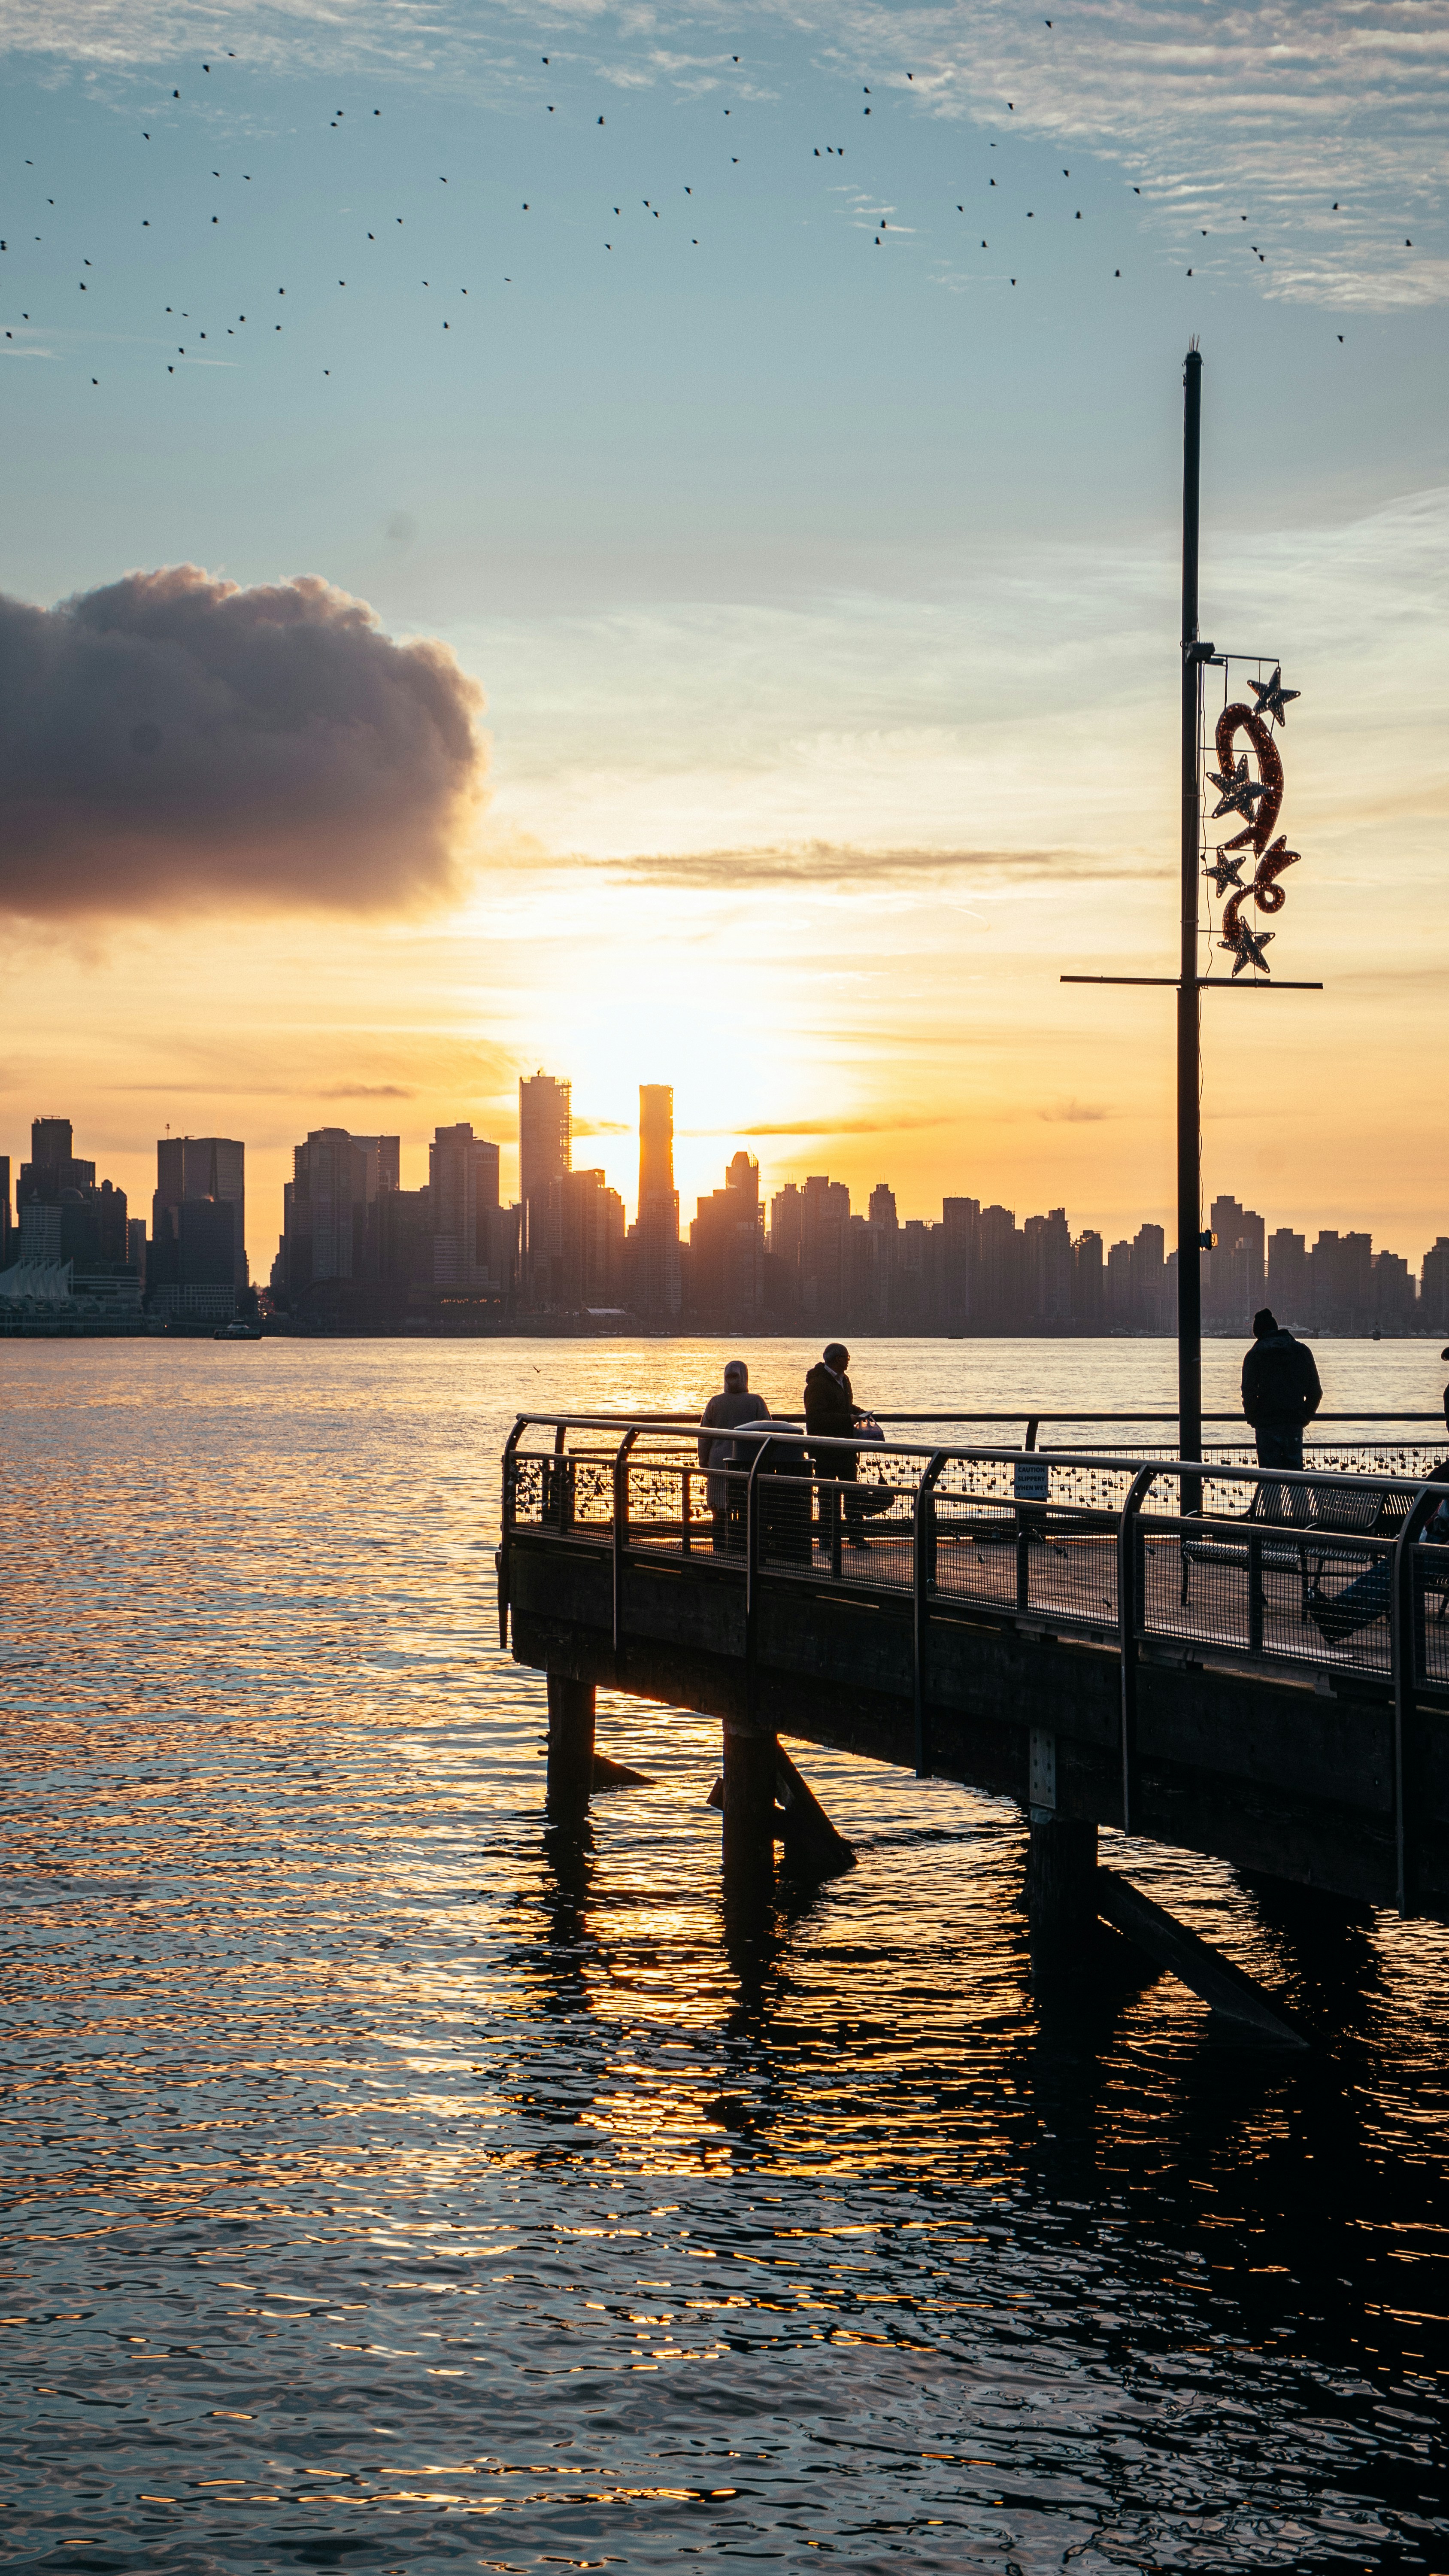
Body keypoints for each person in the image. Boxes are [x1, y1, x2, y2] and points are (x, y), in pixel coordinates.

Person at [1242, 1307, 1322, 1520]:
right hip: (1293, 1423)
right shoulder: (1301, 1351)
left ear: (1258, 1332)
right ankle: (1302, 1524)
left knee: (1269, 1480)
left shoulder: (1255, 1354)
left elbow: (1248, 1391)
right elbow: (1315, 1391)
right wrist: (1304, 1417)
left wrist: (1253, 1418)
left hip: (1267, 1424)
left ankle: (1272, 1524)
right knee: (1296, 1478)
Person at [698, 1360, 769, 1553]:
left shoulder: (715, 1402)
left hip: (718, 1462)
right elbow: (769, 1429)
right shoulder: (756, 1402)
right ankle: (744, 1547)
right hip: (748, 1462)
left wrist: (703, 1462)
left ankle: (720, 1546)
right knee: (746, 1506)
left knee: (718, 1507)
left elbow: (704, 1436)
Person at [804, 1342, 866, 1549]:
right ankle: (828, 1537)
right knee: (828, 1497)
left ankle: (855, 1535)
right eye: (847, 1358)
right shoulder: (817, 1384)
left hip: (846, 1448)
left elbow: (842, 1406)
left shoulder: (844, 1380)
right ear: (837, 1359)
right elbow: (816, 1418)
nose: (848, 1362)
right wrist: (848, 1419)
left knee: (853, 1493)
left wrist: (857, 1411)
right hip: (825, 1450)